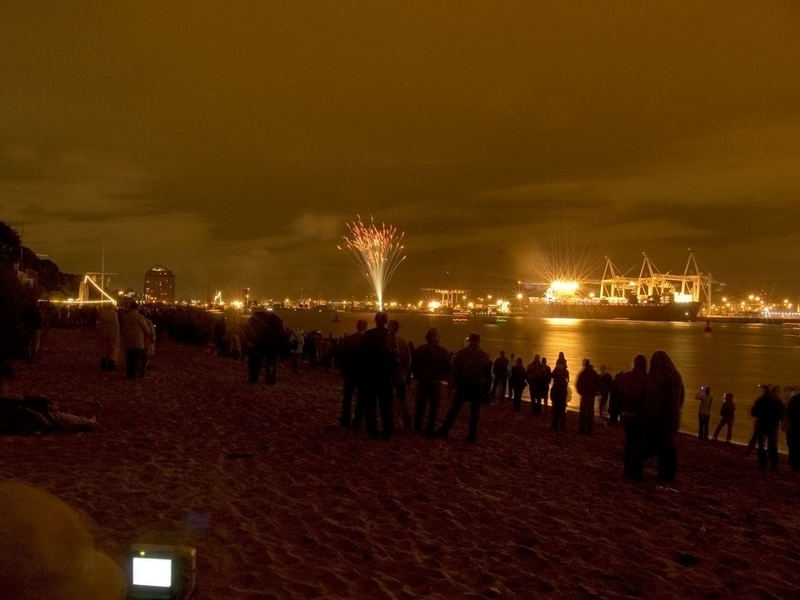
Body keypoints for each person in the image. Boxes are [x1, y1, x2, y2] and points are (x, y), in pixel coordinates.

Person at [434, 332, 491, 443]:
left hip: (463, 384)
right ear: (479, 341)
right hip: (476, 386)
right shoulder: (484, 355)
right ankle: (471, 435)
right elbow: (487, 374)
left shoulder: (462, 352)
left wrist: (453, 384)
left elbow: (455, 369)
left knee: (454, 409)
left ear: (469, 340)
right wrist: (486, 390)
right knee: (474, 413)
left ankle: (444, 429)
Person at [642, 350, 684, 481]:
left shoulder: (656, 377)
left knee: (658, 445)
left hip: (659, 417)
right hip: (672, 417)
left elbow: (651, 398)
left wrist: (648, 415)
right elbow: (681, 396)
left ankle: (662, 473)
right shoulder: (675, 376)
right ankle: (668, 474)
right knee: (669, 447)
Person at [358, 312, 398, 440]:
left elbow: (362, 355)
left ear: (375, 321)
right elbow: (394, 357)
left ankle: (372, 431)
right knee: (386, 405)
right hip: (385, 376)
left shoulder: (368, 335)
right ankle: (387, 431)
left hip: (370, 375)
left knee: (370, 405)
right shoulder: (390, 335)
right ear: (386, 321)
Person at [411, 327, 451, 435]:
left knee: (420, 405)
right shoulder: (443, 351)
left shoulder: (420, 349)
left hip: (423, 381)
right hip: (436, 382)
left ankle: (417, 426)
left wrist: (417, 376)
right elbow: (447, 368)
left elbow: (414, 365)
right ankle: (430, 428)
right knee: (434, 407)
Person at [617, 354, 647, 479]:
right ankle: (637, 472)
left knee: (629, 443)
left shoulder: (627, 377)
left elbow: (620, 390)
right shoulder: (647, 379)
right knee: (639, 445)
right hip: (640, 417)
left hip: (627, 415)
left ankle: (627, 471)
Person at [338, 319, 367, 428]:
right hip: (363, 373)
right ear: (365, 327)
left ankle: (345, 419)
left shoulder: (349, 339)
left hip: (349, 372)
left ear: (356, 326)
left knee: (347, 397)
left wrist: (343, 370)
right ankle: (357, 421)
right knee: (361, 398)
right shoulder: (368, 341)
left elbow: (342, 355)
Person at [244, 310, 286, 384]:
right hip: (272, 348)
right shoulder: (277, 325)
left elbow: (250, 334)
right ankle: (270, 380)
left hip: (258, 346)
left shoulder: (255, 322)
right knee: (271, 365)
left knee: (255, 363)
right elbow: (281, 340)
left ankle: (253, 379)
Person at [750, 384, 785, 469]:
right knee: (772, 443)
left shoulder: (760, 400)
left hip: (762, 423)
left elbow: (754, 412)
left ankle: (763, 462)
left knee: (761, 443)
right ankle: (774, 462)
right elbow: (782, 414)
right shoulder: (778, 401)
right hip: (773, 424)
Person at [388, 319, 412, 432]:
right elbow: (408, 361)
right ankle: (407, 425)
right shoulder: (403, 342)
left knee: (387, 401)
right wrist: (404, 373)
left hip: (388, 376)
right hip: (400, 376)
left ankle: (389, 423)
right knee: (404, 402)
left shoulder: (385, 341)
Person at [119, 302, 153, 379]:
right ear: (136, 308)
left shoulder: (126, 316)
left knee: (129, 358)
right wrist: (149, 335)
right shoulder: (139, 317)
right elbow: (145, 328)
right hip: (138, 340)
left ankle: (129, 374)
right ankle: (134, 374)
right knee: (136, 359)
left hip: (128, 340)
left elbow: (123, 328)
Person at [576, 358, 600, 435]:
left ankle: (582, 430)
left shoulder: (583, 373)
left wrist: (581, 392)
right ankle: (588, 431)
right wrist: (594, 393)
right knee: (589, 415)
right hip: (589, 397)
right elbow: (598, 384)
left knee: (583, 414)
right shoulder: (593, 373)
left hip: (585, 396)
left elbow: (578, 384)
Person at [96, 303, 119, 372]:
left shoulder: (102, 314)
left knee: (104, 349)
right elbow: (116, 325)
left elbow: (99, 324)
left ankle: (103, 365)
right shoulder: (114, 314)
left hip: (104, 333)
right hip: (112, 334)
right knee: (112, 350)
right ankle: (111, 365)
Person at [550, 362, 569, 430]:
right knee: (561, 413)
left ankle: (555, 425)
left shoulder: (557, 379)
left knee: (555, 413)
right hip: (561, 398)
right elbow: (565, 389)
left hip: (557, 398)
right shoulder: (563, 379)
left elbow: (553, 389)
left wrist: (552, 397)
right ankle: (561, 425)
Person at [785, 390, 800, 471]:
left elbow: (788, 412)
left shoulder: (794, 399)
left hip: (794, 425)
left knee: (793, 445)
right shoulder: (794, 399)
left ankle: (794, 463)